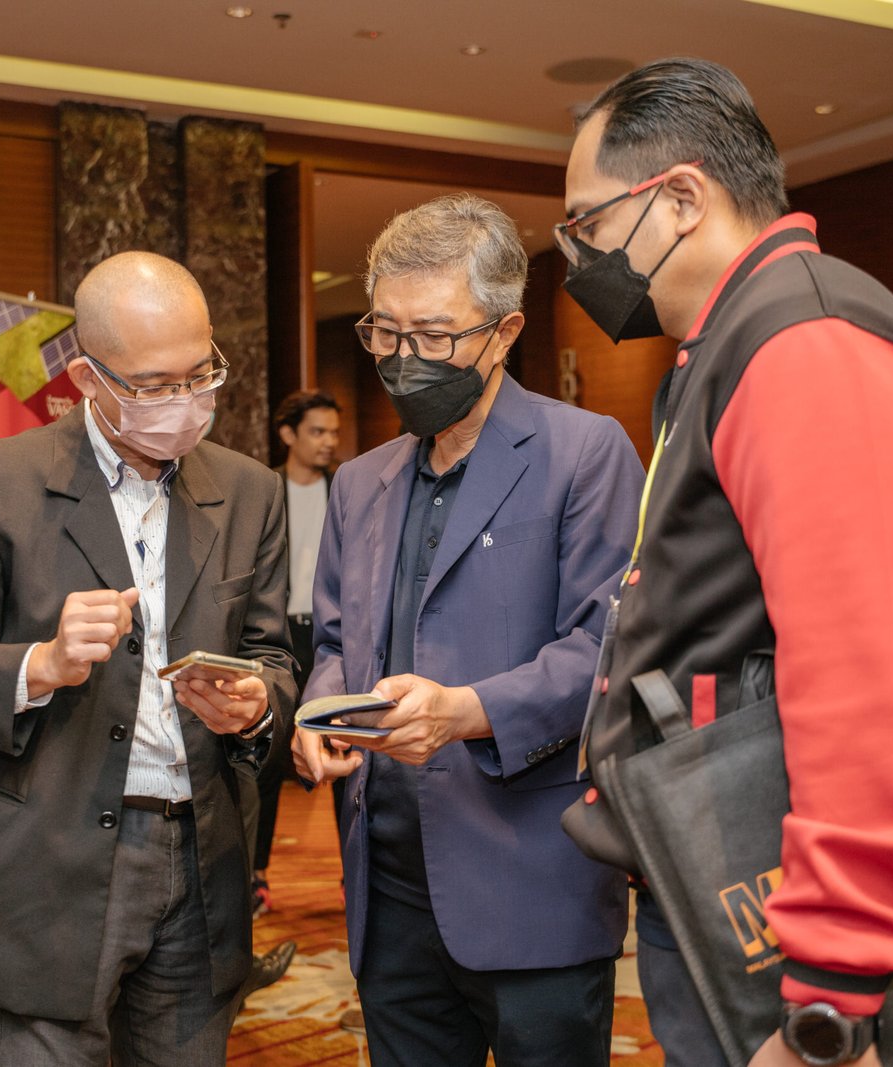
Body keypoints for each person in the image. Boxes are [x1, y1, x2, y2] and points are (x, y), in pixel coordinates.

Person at [560, 57, 893, 1067]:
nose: (580, 255)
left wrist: (830, 1005)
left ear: (680, 199)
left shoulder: (805, 344)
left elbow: (864, 676)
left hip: (788, 923)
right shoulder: (741, 338)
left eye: (587, 222)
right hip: (732, 873)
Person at [0, 251, 298, 1067]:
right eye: (153, 384)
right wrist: (38, 663)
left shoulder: (251, 491)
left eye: (200, 374)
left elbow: (272, 655)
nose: (185, 401)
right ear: (86, 378)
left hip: (201, 863)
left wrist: (257, 704)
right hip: (40, 866)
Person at [291, 193, 645, 1067]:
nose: (404, 359)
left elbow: (606, 650)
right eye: (386, 332)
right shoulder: (360, 482)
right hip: (388, 885)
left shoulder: (584, 452)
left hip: (531, 876)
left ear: (504, 331)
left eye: (434, 336)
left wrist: (466, 710)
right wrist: (323, 712)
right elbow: (334, 640)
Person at [240, 390, 341, 916]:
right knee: (268, 753)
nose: (329, 442)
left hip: (330, 636)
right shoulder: (264, 490)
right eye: (317, 431)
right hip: (277, 636)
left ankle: (353, 874)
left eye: (333, 432)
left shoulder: (343, 489)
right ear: (288, 435)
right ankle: (254, 875)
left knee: (343, 748)